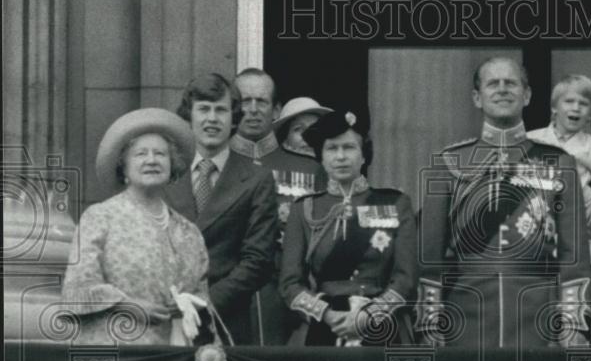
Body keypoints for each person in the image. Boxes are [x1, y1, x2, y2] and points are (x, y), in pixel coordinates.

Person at [417, 57, 591, 349]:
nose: (502, 89)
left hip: (538, 311)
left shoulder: (558, 162)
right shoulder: (450, 162)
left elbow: (574, 254)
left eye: (510, 83)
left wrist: (573, 320)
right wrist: (430, 318)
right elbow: (430, 254)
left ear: (527, 95)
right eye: (492, 83)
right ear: (477, 97)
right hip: (466, 310)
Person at [62, 109, 211, 346]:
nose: (151, 160)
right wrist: (127, 306)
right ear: (124, 167)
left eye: (160, 154)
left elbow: (202, 296)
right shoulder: (100, 217)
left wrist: (187, 304)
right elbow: (78, 287)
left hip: (176, 358)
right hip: (117, 355)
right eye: (141, 154)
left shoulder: (189, 232)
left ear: (172, 165)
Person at [279, 108, 416, 346]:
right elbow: (290, 283)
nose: (341, 156)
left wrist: (370, 315)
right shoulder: (304, 209)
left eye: (349, 147)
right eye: (332, 148)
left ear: (364, 155)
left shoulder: (395, 203)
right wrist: (327, 315)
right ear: (321, 157)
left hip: (382, 328)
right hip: (323, 328)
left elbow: (406, 278)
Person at [166, 73, 279, 345]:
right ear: (189, 116)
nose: (212, 119)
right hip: (168, 315)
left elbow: (258, 260)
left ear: (234, 118)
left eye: (221, 110)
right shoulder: (168, 173)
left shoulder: (255, 178)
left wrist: (205, 304)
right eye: (203, 109)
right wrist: (172, 302)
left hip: (226, 319)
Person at [229, 70, 326, 343]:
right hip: (227, 294)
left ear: (276, 110)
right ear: (233, 108)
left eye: (261, 101)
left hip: (290, 298)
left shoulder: (309, 169)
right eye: (245, 101)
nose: (252, 109)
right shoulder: (219, 164)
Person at [527, 75, 591, 269]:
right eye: (569, 101)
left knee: (580, 254)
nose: (576, 108)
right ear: (554, 108)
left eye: (583, 104)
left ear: (590, 115)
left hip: (578, 208)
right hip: (541, 206)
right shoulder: (533, 139)